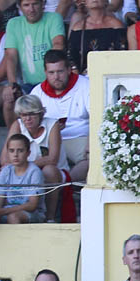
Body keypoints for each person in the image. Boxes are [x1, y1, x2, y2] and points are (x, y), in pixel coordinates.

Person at [29, 49, 89, 184]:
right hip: (49, 141)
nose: (56, 77)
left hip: (79, 137)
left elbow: (97, 116)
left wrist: (91, 143)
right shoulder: (37, 92)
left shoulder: (85, 85)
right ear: (45, 73)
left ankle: (64, 183)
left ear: (69, 70)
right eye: (51, 72)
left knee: (94, 159)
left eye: (60, 71)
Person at [4, 92, 66, 220]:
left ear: (40, 113)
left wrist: (27, 166)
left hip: (56, 171)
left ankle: (50, 218)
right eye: (24, 115)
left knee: (49, 170)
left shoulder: (52, 125)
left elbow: (53, 159)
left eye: (32, 114)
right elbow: (5, 158)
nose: (27, 118)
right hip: (25, 170)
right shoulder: (17, 125)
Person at [3, 0, 65, 90]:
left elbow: (58, 44)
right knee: (9, 99)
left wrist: (51, 78)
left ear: (43, 3)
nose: (31, 9)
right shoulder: (13, 24)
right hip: (28, 84)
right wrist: (12, 85)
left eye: (35, 4)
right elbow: (11, 56)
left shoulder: (54, 18)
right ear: (19, 6)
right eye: (26, 5)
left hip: (53, 82)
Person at [67, 0, 126, 74]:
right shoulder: (78, 27)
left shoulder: (116, 25)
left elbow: (123, 53)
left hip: (112, 74)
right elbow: (71, 56)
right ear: (85, 1)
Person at [0, 133, 45, 224]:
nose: (15, 155)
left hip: (33, 214)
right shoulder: (6, 171)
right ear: (7, 153)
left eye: (20, 151)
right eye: (11, 151)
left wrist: (4, 211)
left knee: (13, 217)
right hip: (8, 211)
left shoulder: (34, 172)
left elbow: (32, 205)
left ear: (28, 153)